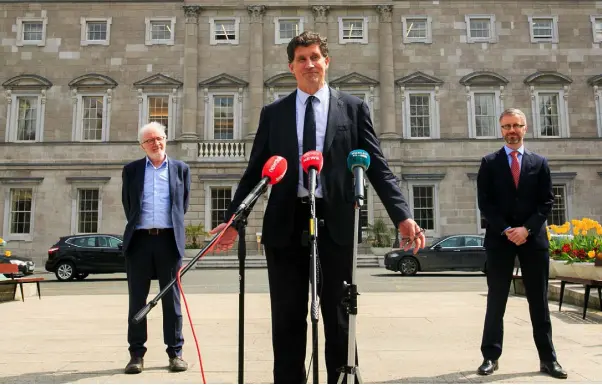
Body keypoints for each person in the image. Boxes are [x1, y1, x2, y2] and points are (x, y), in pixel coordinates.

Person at [209, 31, 425, 384]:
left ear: (327, 62)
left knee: (340, 317)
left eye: (315, 57)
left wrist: (402, 216)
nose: (309, 64)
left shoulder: (353, 109)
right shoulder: (273, 113)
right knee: (288, 318)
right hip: (286, 224)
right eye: (301, 59)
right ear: (291, 67)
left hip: (335, 224)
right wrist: (233, 219)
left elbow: (378, 168)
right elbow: (253, 175)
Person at [476, 108, 567, 379]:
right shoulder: (489, 163)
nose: (512, 131)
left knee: (538, 301)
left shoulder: (539, 163)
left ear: (525, 128)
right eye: (507, 126)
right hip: (500, 239)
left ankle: (548, 359)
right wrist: (507, 229)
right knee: (496, 300)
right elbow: (486, 203)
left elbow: (547, 201)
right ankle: (490, 357)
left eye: (517, 125)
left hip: (532, 239)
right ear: (501, 130)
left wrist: (526, 229)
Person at [121, 121, 191, 374]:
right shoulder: (131, 170)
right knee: (137, 301)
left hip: (168, 241)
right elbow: (129, 205)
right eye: (149, 140)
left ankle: (175, 353)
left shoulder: (181, 169)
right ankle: (136, 355)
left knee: (171, 300)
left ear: (166, 139)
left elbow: (181, 207)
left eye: (159, 138)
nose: (155, 143)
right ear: (142, 145)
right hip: (139, 241)